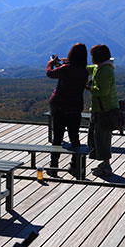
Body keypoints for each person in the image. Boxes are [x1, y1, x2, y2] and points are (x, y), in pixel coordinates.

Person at [46, 43, 88, 177]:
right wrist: (63, 65)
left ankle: (54, 166)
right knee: (74, 137)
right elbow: (71, 75)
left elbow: (50, 74)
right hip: (75, 107)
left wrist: (50, 63)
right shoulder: (84, 71)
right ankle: (75, 166)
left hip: (59, 106)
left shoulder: (66, 68)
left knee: (57, 138)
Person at [86, 44, 117, 176]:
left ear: (98, 57)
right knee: (97, 137)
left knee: (102, 138)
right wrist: (71, 62)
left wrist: (87, 87)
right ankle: (104, 164)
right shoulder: (101, 67)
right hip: (100, 109)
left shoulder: (105, 71)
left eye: (92, 55)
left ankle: (106, 167)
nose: (91, 58)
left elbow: (102, 92)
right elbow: (89, 68)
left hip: (104, 110)